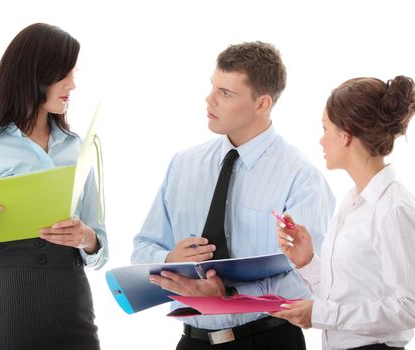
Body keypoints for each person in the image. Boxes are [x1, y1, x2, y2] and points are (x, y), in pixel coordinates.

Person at [131, 41, 335, 350]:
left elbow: (311, 277)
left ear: (262, 104)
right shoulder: (183, 165)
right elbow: (143, 248)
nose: (209, 99)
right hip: (192, 341)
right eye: (213, 87)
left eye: (225, 93)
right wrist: (170, 259)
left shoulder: (300, 177)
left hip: (267, 340)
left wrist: (228, 295)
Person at [0, 23, 108, 350]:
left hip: (73, 302)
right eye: (65, 75)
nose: (73, 85)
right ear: (35, 74)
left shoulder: (77, 148)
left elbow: (101, 248)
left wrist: (86, 238)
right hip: (12, 301)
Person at [272, 76, 415, 350]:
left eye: (325, 129)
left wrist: (320, 314)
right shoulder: (352, 203)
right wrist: (308, 262)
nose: (321, 140)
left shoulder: (393, 209)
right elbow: (347, 295)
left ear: (345, 135)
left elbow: (414, 307)